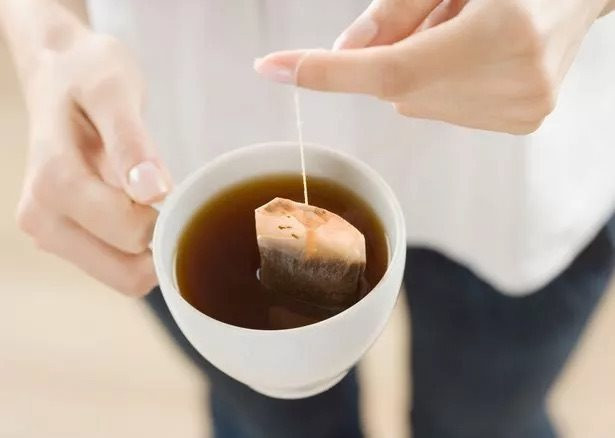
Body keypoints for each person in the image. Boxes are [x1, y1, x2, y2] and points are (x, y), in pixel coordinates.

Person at [1, 0, 614, 436]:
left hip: (510, 125)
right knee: (275, 422)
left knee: (486, 422)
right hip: (170, 143)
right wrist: (45, 37)